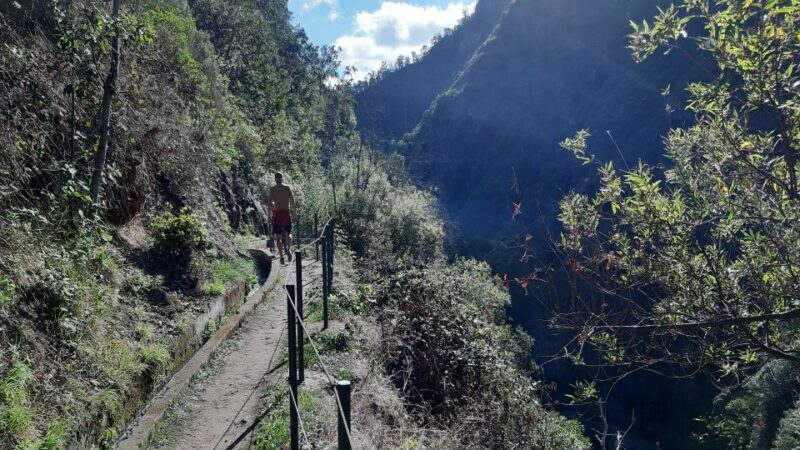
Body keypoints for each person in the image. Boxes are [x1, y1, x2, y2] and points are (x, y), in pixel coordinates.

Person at [267, 172, 297, 265]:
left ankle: (281, 257)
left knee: (278, 237)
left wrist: (269, 216)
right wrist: (294, 214)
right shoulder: (287, 188)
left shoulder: (273, 189)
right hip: (286, 213)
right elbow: (292, 202)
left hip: (277, 214)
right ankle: (287, 248)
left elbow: (269, 204)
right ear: (282, 178)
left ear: (275, 179)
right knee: (289, 234)